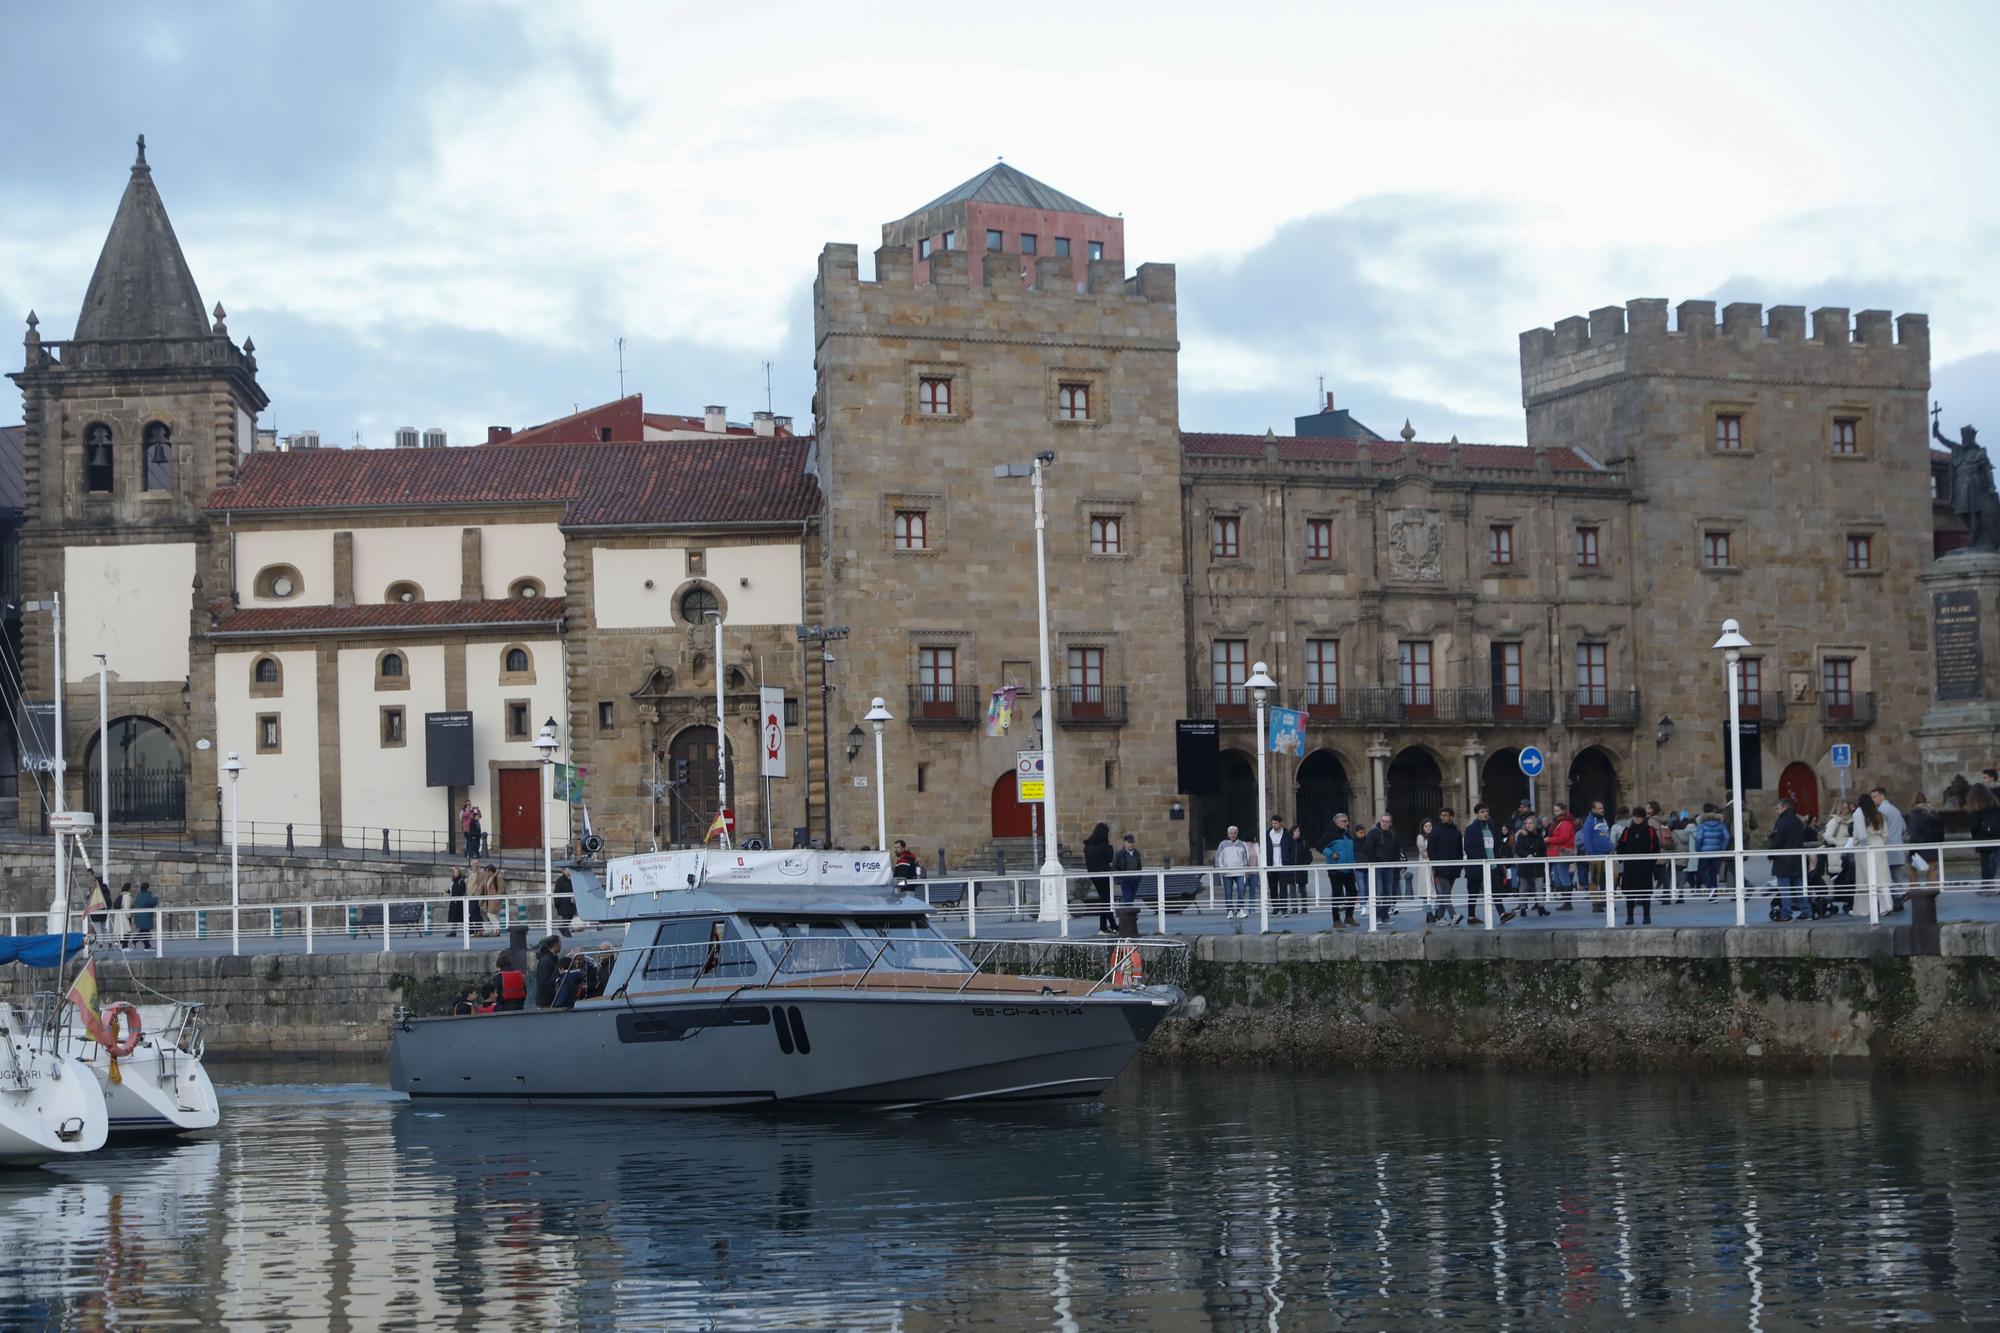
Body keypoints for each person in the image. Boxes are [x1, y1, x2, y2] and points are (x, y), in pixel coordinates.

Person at [1766, 797, 1811, 922]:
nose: (1776, 811)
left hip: (1783, 860)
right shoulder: (1797, 820)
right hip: (1797, 858)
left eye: (1778, 808)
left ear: (1784, 807)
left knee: (1784, 888)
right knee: (1799, 886)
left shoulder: (1782, 821)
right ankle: (1806, 911)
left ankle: (1786, 913)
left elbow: (1778, 840)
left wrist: (1771, 853)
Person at [1615, 809, 1661, 925]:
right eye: (1635, 817)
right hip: (1630, 866)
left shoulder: (1650, 831)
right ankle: (1629, 916)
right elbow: (1620, 846)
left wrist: (1651, 862)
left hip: (1645, 866)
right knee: (1630, 893)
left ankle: (1647, 915)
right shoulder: (1627, 830)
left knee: (1645, 892)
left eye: (1640, 817)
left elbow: (1656, 848)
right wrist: (1623, 858)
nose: (1637, 819)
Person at [1850, 793, 1892, 919]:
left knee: (1863, 879)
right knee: (1881, 877)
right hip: (1879, 844)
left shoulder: (1859, 814)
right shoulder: (1879, 815)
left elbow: (1859, 835)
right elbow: (1885, 834)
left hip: (1865, 847)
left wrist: (1856, 842)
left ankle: (1862, 909)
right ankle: (1887, 906)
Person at [1357, 813, 1403, 925]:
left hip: (1390, 867)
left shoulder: (1394, 835)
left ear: (1390, 823)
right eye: (1383, 821)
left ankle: (1385, 915)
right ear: (1380, 821)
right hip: (1377, 867)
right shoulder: (1373, 833)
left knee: (1388, 891)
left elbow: (1397, 850)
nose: (1385, 823)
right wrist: (1374, 862)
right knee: (1378, 891)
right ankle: (1377, 916)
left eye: (1387, 821)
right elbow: (1368, 849)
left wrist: (1396, 864)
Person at [1461, 803, 1502, 925]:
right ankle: (1471, 916)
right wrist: (1481, 861)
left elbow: (1496, 846)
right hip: (1477, 866)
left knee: (1495, 890)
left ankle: (1502, 913)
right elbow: (1468, 847)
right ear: (1477, 814)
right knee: (1473, 891)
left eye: (1486, 811)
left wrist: (1497, 862)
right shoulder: (1471, 829)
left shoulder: (1491, 828)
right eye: (1482, 811)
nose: (1485, 814)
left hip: (1491, 865)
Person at [1869, 786, 1907, 912]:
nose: (1873, 800)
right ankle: (1900, 896)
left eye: (1874, 797)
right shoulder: (1895, 809)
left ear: (1881, 796)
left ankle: (1897, 897)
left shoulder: (1882, 811)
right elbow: (1904, 827)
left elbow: (1879, 829)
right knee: (1896, 873)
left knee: (1888, 874)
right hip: (1898, 845)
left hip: (1888, 847)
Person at [1505, 815, 1549, 920]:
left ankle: (1541, 907)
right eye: (1527, 823)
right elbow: (1518, 849)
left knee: (1539, 886)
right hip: (1525, 865)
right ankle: (1523, 908)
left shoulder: (1539, 836)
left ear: (1535, 824)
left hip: (1537, 865)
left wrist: (1537, 857)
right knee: (1523, 887)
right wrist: (1527, 855)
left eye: (1531, 823)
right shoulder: (1521, 836)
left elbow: (1543, 849)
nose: (1529, 825)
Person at [1428, 808, 1465, 925]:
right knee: (1445, 892)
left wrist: (1459, 866)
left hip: (1453, 868)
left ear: (1451, 817)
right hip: (1440, 867)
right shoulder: (1436, 831)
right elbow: (1431, 849)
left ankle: (1439, 918)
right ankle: (1453, 915)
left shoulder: (1457, 832)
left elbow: (1460, 850)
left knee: (1446, 894)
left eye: (1446, 815)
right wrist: (1435, 865)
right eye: (1441, 815)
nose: (1443, 817)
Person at [1321, 814, 1358, 927]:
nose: (1347, 823)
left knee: (1353, 892)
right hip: (1336, 869)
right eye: (1344, 821)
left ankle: (1349, 916)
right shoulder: (1330, 835)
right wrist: (1330, 854)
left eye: (1347, 821)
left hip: (1348, 868)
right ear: (1337, 823)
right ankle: (1336, 920)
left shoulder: (1347, 834)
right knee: (1337, 894)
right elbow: (1320, 845)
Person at [1906, 793, 1944, 899]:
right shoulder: (1933, 812)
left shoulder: (1915, 813)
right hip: (1932, 844)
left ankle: (1915, 892)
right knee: (1931, 869)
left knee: (1911, 869)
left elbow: (1914, 832)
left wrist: (1912, 850)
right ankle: (1932, 894)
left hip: (1920, 845)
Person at [1213, 826, 1252, 922]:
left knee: (1241, 890)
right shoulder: (1223, 844)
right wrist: (1221, 870)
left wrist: (1246, 870)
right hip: (1227, 872)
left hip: (1239, 871)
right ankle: (1230, 910)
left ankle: (1239, 910)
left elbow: (1245, 858)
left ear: (1237, 834)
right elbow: (1219, 858)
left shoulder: (1242, 844)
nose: (1233, 835)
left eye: (1234, 833)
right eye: (1231, 833)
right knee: (1228, 892)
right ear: (1228, 834)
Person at [1578, 801, 1614, 906]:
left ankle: (1605, 899)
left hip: (1608, 854)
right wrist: (1591, 854)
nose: (1602, 810)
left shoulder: (1604, 820)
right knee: (1595, 879)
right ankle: (1596, 903)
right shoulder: (1589, 822)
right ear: (1593, 809)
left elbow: (1606, 834)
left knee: (1612, 876)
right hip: (1596, 855)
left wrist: (1610, 846)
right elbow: (1587, 839)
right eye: (1599, 808)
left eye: (1602, 808)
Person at [1084, 822, 1117, 934]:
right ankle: (1111, 925)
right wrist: (1110, 847)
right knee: (1106, 900)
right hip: (1104, 875)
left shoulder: (1088, 846)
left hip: (1094, 876)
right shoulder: (1103, 847)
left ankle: (1105, 926)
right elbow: (1109, 858)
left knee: (1105, 900)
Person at [1692, 803, 1731, 900]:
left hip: (1704, 852)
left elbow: (1699, 838)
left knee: (1701, 871)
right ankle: (1714, 895)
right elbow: (1727, 837)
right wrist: (1722, 848)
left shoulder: (1702, 825)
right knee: (1713, 873)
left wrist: (1697, 848)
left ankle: (1710, 888)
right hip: (1717, 851)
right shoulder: (1721, 824)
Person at [1544, 802, 1578, 911]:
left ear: (1563, 810)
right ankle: (1566, 901)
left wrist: (1549, 839)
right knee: (1559, 877)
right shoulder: (1560, 822)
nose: (1555, 813)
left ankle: (1567, 902)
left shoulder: (1565, 822)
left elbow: (1563, 837)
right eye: (1554, 811)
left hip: (1561, 852)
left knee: (1563, 877)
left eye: (1557, 810)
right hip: (1556, 852)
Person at [1969, 783, 2000, 895]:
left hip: (1984, 838)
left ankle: (1987, 887)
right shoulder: (1995, 804)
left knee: (1986, 863)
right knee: (1995, 862)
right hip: (1997, 837)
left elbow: (1974, 826)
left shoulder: (1976, 808)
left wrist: (1976, 837)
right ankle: (1988, 887)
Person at [1112, 833, 1144, 932]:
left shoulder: (1136, 853)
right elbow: (1114, 866)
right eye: (1129, 842)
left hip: (1135, 879)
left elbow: (1139, 865)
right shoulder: (1120, 853)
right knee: (1128, 897)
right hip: (1125, 879)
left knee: (1130, 897)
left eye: (1132, 842)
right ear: (1125, 843)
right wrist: (1118, 879)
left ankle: (1127, 912)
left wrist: (1139, 876)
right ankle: (1129, 917)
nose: (1131, 844)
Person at [1414, 818, 1437, 922]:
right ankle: (1428, 913)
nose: (1428, 828)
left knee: (1437, 890)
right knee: (1426, 891)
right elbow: (1424, 853)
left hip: (1434, 865)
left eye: (1430, 826)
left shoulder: (1435, 836)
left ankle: (1437, 911)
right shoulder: (1420, 838)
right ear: (1422, 827)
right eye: (1426, 826)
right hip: (1425, 866)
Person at [532, 936, 564, 1009]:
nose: (561, 946)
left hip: (549, 999)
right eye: (560, 943)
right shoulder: (546, 961)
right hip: (547, 1001)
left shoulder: (551, 959)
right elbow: (543, 982)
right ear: (555, 944)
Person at [132, 883, 158, 948]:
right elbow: (152, 903)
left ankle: (147, 945)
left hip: (139, 915)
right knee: (145, 931)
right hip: (145, 916)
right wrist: (156, 898)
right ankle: (136, 941)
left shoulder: (139, 895)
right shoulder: (147, 895)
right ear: (147, 888)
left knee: (145, 931)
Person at [111, 883, 135, 949]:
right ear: (129, 889)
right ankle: (125, 946)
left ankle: (121, 945)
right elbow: (127, 908)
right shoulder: (127, 896)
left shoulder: (122, 895)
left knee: (122, 931)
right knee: (127, 931)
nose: (133, 889)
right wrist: (129, 916)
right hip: (125, 917)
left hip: (119, 916)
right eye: (132, 887)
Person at [553, 868, 576, 937]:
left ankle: (563, 928)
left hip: (569, 903)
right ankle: (566, 931)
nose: (568, 871)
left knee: (570, 916)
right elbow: (556, 892)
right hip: (563, 903)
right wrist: (557, 903)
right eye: (567, 870)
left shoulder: (570, 880)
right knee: (566, 917)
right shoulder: (560, 880)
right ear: (563, 871)